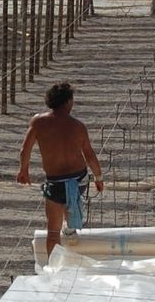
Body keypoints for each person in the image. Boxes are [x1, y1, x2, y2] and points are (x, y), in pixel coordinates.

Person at [17, 82, 104, 257]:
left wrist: (23, 170)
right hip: (79, 180)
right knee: (71, 199)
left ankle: (52, 269)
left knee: (53, 232)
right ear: (68, 102)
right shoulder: (78, 126)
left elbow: (24, 149)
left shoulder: (39, 122)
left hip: (55, 182)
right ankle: (70, 226)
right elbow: (90, 155)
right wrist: (98, 177)